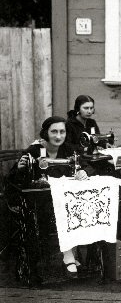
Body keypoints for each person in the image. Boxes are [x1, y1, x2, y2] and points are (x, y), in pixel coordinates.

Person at [11, 116, 91, 280]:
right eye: (54, 131)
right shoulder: (33, 151)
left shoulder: (69, 150)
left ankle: (71, 255)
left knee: (78, 205)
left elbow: (86, 165)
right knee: (66, 208)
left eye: (62, 131)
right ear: (45, 133)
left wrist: (84, 172)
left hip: (62, 200)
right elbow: (12, 179)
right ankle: (69, 257)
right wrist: (20, 169)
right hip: (38, 203)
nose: (58, 136)